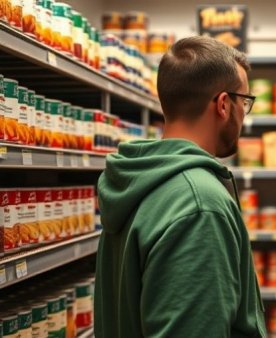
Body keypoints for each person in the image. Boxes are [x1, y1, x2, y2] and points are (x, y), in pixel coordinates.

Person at [94, 36, 266, 338]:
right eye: (245, 102)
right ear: (224, 104)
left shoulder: (138, 179)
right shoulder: (200, 205)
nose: (244, 115)